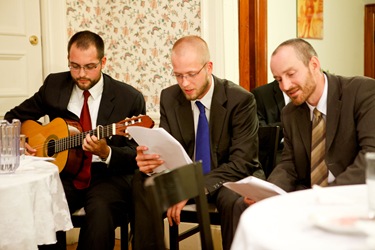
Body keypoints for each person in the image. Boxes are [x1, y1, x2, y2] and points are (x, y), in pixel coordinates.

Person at [5, 30, 146, 250]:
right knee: (41, 208)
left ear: (103, 62)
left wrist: (106, 152)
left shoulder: (129, 98)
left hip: (106, 177)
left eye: (90, 67)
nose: (81, 74)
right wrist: (20, 140)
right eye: (74, 66)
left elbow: (136, 155)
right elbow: (13, 117)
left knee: (100, 214)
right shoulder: (54, 84)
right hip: (64, 174)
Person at [132, 35, 264, 250]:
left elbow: (242, 163)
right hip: (186, 177)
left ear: (208, 67)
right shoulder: (169, 97)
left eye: (192, 74)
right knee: (142, 182)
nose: (185, 83)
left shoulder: (240, 100)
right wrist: (150, 162)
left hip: (227, 176)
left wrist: (193, 189)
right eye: (178, 75)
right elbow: (167, 149)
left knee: (234, 200)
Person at [267, 38, 375, 192]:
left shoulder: (362, 92)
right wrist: (267, 191)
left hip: (356, 195)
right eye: (278, 79)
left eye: (290, 74)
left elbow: (371, 158)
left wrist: (325, 196)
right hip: (310, 196)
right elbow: (289, 164)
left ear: (314, 65)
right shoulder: (290, 113)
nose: (285, 86)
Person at [251, 80, 288, 165]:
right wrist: (289, 124)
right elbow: (260, 131)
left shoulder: (310, 92)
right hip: (278, 153)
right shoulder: (261, 94)